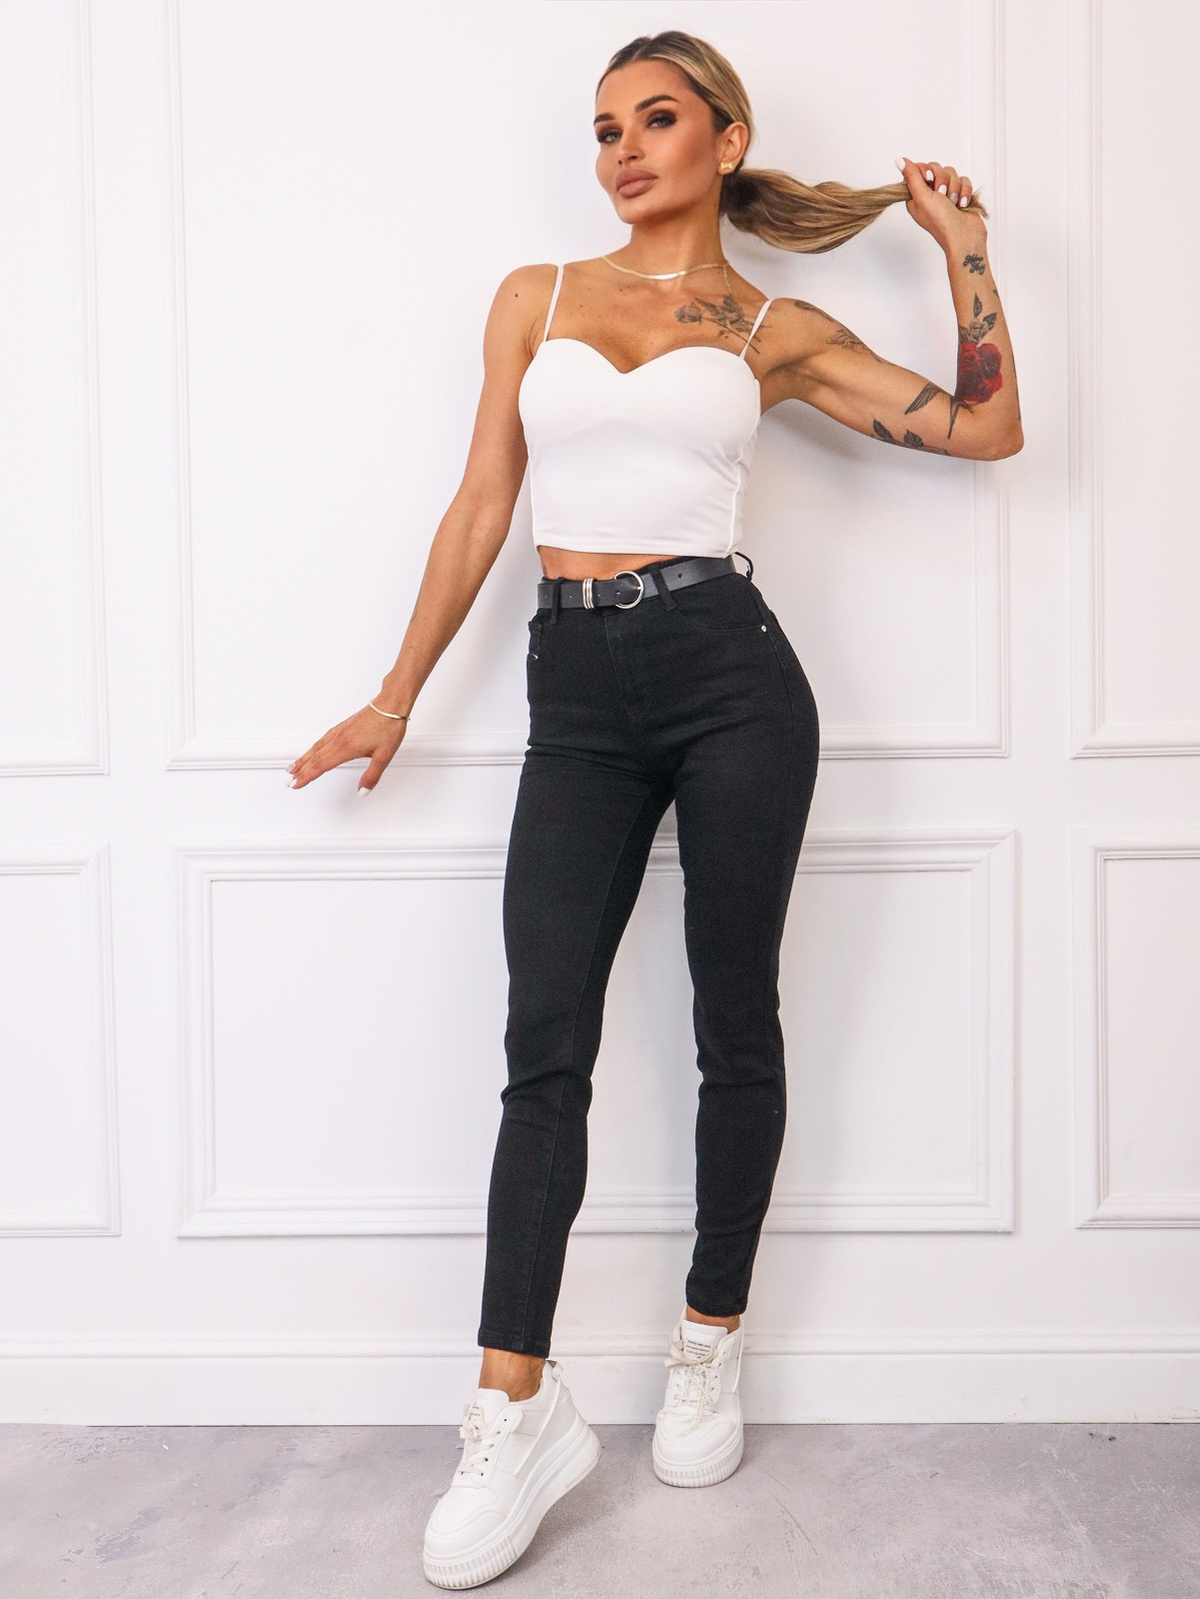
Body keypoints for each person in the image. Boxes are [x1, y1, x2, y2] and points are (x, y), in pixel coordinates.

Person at [286, 27, 1022, 1591]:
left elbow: (982, 428)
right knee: (542, 1039)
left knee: (733, 1020)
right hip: (575, 693)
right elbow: (484, 502)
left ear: (725, 137)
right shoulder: (537, 297)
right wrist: (395, 693)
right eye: (604, 127)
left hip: (732, 678)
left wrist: (963, 255)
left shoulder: (769, 325)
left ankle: (709, 1337)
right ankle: (515, 1407)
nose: (621, 149)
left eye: (656, 119)